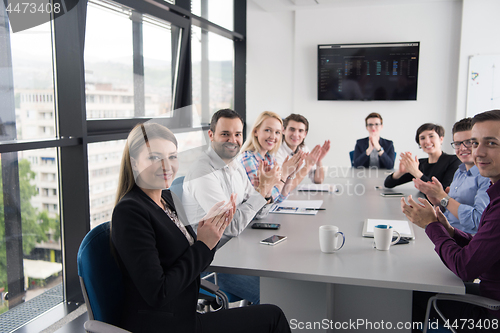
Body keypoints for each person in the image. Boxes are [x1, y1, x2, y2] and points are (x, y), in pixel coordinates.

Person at [110, 122, 292, 333]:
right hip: (166, 325)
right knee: (273, 317)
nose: (166, 166)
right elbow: (158, 292)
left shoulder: (167, 199)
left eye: (172, 156)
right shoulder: (130, 211)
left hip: (184, 315)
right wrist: (203, 245)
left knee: (271, 315)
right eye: (154, 157)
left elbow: (186, 257)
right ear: (134, 163)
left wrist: (210, 233)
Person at [401, 110, 500, 332]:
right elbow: (482, 244)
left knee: (406, 296)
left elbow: (465, 268)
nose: (477, 152)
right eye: (475, 143)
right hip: (487, 290)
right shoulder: (490, 189)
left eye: (491, 143)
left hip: (491, 312)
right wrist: (449, 231)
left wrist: (432, 225)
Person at [183, 109, 279, 304]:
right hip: (216, 263)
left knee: (284, 276)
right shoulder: (203, 172)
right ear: (211, 135)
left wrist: (266, 192)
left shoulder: (235, 165)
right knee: (279, 295)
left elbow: (258, 213)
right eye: (225, 134)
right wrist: (261, 192)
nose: (233, 140)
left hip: (240, 250)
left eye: (237, 134)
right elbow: (231, 227)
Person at [413, 118, 490, 234]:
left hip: (464, 241)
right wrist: (438, 202)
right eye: (458, 143)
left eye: (468, 142)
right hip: (446, 232)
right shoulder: (460, 171)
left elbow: (477, 222)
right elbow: (451, 209)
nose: (462, 148)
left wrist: (442, 196)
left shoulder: (486, 177)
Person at [240, 111, 304, 203]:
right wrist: (284, 174)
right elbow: (262, 201)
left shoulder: (269, 158)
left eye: (277, 132)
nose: (273, 136)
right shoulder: (247, 159)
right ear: (255, 132)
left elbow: (280, 198)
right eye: (268, 130)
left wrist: (291, 174)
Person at [384, 123, 461, 189]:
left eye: (431, 136)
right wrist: (400, 172)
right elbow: (388, 184)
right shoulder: (420, 163)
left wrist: (416, 172)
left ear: (441, 139)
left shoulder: (454, 160)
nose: (427, 141)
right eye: (422, 138)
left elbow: (443, 191)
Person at [275, 113, 330, 185]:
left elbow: (318, 180)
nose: (295, 134)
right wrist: (307, 166)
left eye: (300, 131)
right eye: (292, 129)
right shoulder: (276, 151)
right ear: (283, 130)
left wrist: (318, 160)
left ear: (305, 134)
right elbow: (283, 186)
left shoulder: (304, 148)